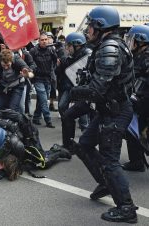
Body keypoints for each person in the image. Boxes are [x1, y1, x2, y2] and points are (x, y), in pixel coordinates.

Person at [70, 6, 137, 223]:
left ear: (101, 26)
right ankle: (107, 183)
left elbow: (97, 89)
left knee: (110, 160)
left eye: (90, 25)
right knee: (85, 144)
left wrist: (75, 90)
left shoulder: (110, 48)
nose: (87, 29)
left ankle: (126, 208)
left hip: (115, 112)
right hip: (107, 109)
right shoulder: (104, 45)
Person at [122, 25, 149, 172]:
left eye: (133, 40)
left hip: (144, 101)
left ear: (141, 42)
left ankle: (137, 162)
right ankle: (136, 161)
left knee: (135, 129)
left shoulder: (146, 57)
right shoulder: (138, 56)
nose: (130, 43)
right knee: (133, 129)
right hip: (141, 99)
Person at [58, 32, 92, 149]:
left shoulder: (88, 55)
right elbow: (69, 69)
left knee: (93, 121)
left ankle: (85, 141)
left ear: (77, 45)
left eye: (68, 46)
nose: (67, 48)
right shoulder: (75, 56)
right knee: (67, 114)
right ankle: (68, 146)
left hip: (91, 94)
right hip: (78, 89)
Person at [30, 31, 57, 128]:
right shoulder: (34, 51)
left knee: (41, 100)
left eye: (46, 39)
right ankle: (48, 120)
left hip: (48, 78)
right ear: (39, 41)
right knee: (44, 99)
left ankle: (36, 117)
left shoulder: (51, 50)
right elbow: (30, 63)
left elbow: (55, 61)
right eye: (42, 40)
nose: (44, 42)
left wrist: (52, 71)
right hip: (38, 79)